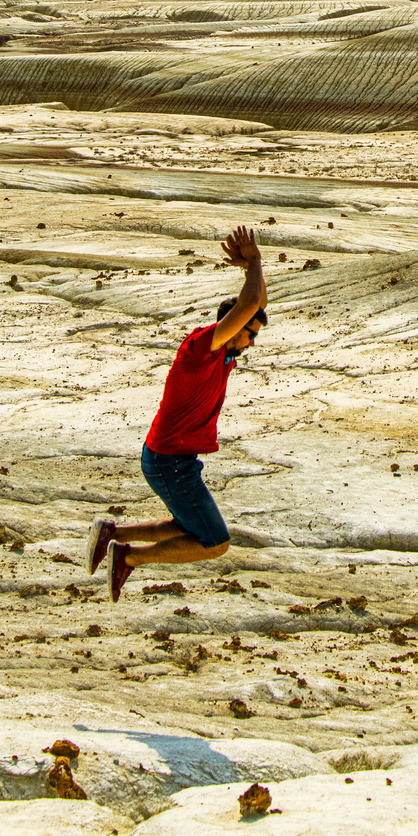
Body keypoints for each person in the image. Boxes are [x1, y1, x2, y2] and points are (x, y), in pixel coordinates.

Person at [89, 224, 265, 600]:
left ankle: (112, 534)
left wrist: (250, 270)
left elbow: (255, 306)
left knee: (186, 526)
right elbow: (249, 306)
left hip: (171, 459)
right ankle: (127, 558)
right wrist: (255, 263)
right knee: (214, 543)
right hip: (169, 461)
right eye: (250, 333)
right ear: (231, 327)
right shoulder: (202, 347)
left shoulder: (226, 354)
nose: (253, 341)